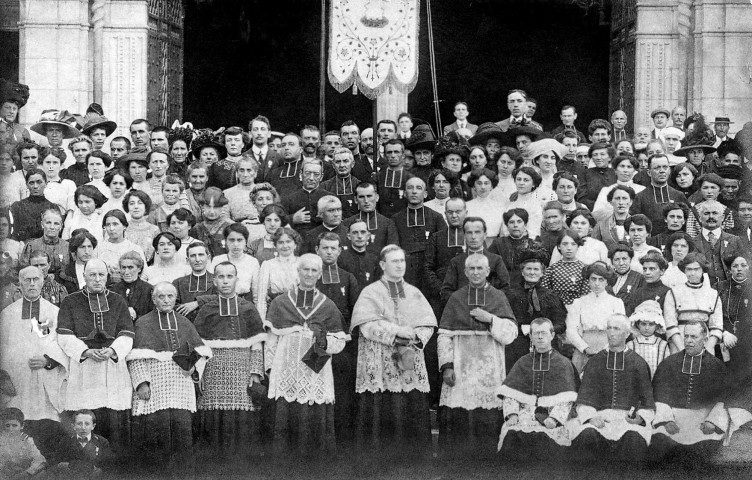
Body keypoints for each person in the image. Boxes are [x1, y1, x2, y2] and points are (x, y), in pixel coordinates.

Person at [351, 245, 437, 458]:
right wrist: (397, 332)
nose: (400, 265)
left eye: (402, 261)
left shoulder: (413, 292)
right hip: (380, 362)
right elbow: (366, 325)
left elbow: (427, 324)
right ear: (382, 265)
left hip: (407, 360)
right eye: (394, 261)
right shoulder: (370, 292)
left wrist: (415, 336)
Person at [264, 254, 348, 454]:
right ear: (298, 271)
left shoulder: (327, 305)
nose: (309, 274)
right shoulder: (280, 303)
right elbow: (271, 340)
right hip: (285, 368)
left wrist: (323, 340)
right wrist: (269, 367)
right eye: (305, 269)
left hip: (315, 372)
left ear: (320, 274)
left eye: (314, 270)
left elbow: (339, 341)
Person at [437, 253, 517, 457]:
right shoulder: (456, 298)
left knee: (487, 415)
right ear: (465, 272)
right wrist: (446, 366)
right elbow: (444, 335)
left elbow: (510, 334)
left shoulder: (498, 297)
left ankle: (487, 461)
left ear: (488, 271)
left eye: (479, 268)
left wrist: (490, 319)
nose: (475, 272)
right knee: (459, 416)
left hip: (489, 368)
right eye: (471, 269)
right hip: (460, 366)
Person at [126, 282, 211, 473]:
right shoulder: (142, 322)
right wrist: (142, 383)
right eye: (161, 297)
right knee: (158, 432)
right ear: (153, 299)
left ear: (175, 299)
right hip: (155, 386)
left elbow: (200, 352)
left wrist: (194, 369)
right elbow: (136, 357)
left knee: (183, 432)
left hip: (181, 386)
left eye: (170, 296)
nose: (166, 300)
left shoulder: (185, 322)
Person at [56, 259, 134, 449]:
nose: (97, 279)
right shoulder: (70, 301)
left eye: (101, 275)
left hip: (112, 366)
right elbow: (64, 335)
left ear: (107, 277)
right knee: (84, 415)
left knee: (112, 417)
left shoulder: (117, 300)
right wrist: (85, 351)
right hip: (83, 366)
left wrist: (113, 350)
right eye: (92, 275)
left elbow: (127, 332)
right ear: (84, 277)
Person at [194, 262, 266, 456]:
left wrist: (255, 373)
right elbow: (199, 346)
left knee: (242, 418)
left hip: (242, 368)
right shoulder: (206, 309)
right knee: (212, 418)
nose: (225, 281)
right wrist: (199, 374)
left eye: (229, 276)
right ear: (214, 281)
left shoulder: (248, 308)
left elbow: (257, 343)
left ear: (237, 279)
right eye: (221, 277)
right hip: (213, 368)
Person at [0, 266, 68, 458]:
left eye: (36, 279)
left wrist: (48, 360)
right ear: (20, 284)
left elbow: (59, 343)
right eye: (27, 280)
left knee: (44, 423)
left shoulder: (52, 312)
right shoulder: (7, 314)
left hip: (43, 380)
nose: (32, 284)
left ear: (43, 282)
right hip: (16, 381)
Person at [570, 314, 655, 464]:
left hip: (627, 422)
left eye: (616, 328)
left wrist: (640, 418)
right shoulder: (595, 361)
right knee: (587, 436)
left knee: (633, 441)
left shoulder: (638, 363)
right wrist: (590, 417)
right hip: (599, 418)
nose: (611, 333)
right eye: (608, 328)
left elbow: (647, 401)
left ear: (627, 333)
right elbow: (584, 397)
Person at [650, 322, 738, 463]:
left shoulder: (716, 366)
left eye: (694, 337)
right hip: (674, 418)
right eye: (686, 336)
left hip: (703, 420)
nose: (689, 341)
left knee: (700, 455)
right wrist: (666, 420)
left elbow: (725, 400)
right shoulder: (669, 363)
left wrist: (713, 422)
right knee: (662, 447)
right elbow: (659, 395)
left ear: (705, 339)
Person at [497, 318, 580, 461]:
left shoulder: (563, 363)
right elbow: (510, 393)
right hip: (525, 412)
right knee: (514, 435)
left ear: (552, 336)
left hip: (553, 415)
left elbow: (567, 399)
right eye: (536, 333)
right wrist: (512, 414)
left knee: (548, 440)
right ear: (530, 337)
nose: (540, 337)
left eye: (543, 333)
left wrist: (555, 418)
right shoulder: (523, 361)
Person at [505, 248, 567, 368]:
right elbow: (506, 321)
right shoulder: (511, 295)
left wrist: (541, 329)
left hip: (546, 343)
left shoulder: (551, 296)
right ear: (522, 272)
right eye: (528, 269)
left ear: (542, 273)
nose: (532, 272)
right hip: (518, 344)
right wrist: (520, 328)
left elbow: (560, 324)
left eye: (536, 269)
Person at [567, 262, 626, 373]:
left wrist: (607, 349)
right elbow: (571, 330)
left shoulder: (616, 302)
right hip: (584, 347)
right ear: (588, 280)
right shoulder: (578, 302)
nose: (597, 284)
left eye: (601, 279)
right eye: (593, 279)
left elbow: (620, 329)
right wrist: (585, 348)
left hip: (609, 345)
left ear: (607, 281)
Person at [441, 217, 510, 305]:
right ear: (464, 235)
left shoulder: (496, 260)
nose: (473, 237)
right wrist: (462, 303)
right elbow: (446, 291)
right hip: (462, 309)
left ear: (485, 235)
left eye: (477, 232)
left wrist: (488, 302)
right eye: (469, 233)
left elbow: (505, 287)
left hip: (490, 308)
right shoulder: (456, 261)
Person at [392, 177, 444, 294]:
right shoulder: (396, 219)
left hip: (430, 274)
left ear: (425, 194)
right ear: (405, 193)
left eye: (418, 188)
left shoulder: (436, 217)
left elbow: (442, 248)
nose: (414, 191)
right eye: (410, 188)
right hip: (405, 273)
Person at [663, 252, 723, 354]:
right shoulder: (674, 292)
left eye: (696, 269)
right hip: (680, 342)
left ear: (703, 270)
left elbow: (716, 326)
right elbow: (670, 325)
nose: (692, 273)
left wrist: (707, 348)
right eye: (689, 269)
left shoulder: (712, 294)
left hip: (705, 343)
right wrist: (683, 349)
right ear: (684, 270)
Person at [630, 154, 690, 235]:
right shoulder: (640, 197)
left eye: (665, 167)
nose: (662, 171)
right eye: (657, 168)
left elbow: (689, 223)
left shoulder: (679, 195)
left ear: (669, 170)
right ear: (649, 172)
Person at [692, 200, 745, 286]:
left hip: (730, 290)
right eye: (706, 213)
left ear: (723, 217)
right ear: (699, 217)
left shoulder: (735, 240)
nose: (711, 217)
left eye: (715, 213)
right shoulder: (692, 243)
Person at [253, 227, 301, 321]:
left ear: (295, 244)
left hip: (297, 311)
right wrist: (262, 323)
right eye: (280, 242)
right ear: (275, 245)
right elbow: (261, 298)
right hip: (276, 311)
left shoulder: (302, 264)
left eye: (288, 241)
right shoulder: (268, 265)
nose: (285, 245)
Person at [488, 208, 542, 287]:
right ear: (507, 225)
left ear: (525, 224)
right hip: (504, 287)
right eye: (511, 222)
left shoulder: (533, 245)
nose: (515, 225)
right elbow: (488, 266)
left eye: (519, 222)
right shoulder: (498, 243)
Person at [345, 182, 399, 256]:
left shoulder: (388, 224)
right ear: (355, 200)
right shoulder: (347, 223)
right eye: (361, 197)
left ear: (377, 197)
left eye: (369, 196)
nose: (366, 201)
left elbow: (392, 252)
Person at [53, 410, 111, 477]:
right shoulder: (65, 442)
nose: (83, 428)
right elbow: (57, 466)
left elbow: (107, 468)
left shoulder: (102, 442)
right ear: (73, 426)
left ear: (93, 426)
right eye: (79, 424)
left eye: (87, 424)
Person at [209, 223, 260, 299]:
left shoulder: (252, 262)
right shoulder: (217, 260)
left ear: (245, 241)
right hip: (221, 301)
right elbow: (211, 287)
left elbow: (256, 292)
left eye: (239, 240)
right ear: (226, 241)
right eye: (231, 240)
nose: (236, 244)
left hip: (244, 303)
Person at [95, 210, 146, 283]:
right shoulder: (99, 248)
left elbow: (144, 274)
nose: (111, 228)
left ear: (124, 226)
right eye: (108, 224)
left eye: (115, 224)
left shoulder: (134, 248)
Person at [541, 229, 590, 305]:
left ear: (578, 246)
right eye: (565, 244)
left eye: (573, 244)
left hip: (577, 310)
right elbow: (545, 293)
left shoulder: (585, 269)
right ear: (559, 246)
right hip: (556, 309)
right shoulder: (551, 269)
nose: (569, 248)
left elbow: (586, 295)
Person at [10, 169, 59, 243]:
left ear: (46, 183)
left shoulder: (53, 207)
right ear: (26, 185)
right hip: (22, 247)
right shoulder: (17, 206)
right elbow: (13, 233)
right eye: (31, 183)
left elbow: (56, 234)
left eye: (39, 182)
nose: (35, 186)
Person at [591, 155, 645, 222]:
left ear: (634, 171)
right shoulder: (606, 190)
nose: (625, 170)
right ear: (615, 170)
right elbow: (597, 213)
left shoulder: (642, 190)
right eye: (622, 166)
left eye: (629, 167)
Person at [173, 241, 215, 322]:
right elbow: (173, 305)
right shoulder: (178, 283)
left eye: (201, 255)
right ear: (187, 260)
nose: (197, 259)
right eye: (193, 256)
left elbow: (221, 297)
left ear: (208, 257)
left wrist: (197, 303)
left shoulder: (216, 280)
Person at [625, 300, 670, 377]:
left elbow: (666, 369)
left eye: (651, 324)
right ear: (638, 324)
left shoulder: (663, 345)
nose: (647, 328)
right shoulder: (631, 345)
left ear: (657, 325)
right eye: (643, 324)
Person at [0, 407, 47, 477]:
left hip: (24, 474)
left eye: (14, 425)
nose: (10, 429)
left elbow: (39, 460)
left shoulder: (27, 440)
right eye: (7, 425)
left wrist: (28, 472)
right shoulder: (1, 440)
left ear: (22, 426)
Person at [20, 208, 68, 277]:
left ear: (61, 226)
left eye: (56, 224)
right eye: (48, 223)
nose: (52, 227)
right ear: (42, 224)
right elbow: (24, 272)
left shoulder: (67, 246)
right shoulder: (31, 246)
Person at [110, 251, 154, 322]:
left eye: (130, 268)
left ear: (139, 269)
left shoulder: (148, 290)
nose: (126, 272)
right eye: (123, 268)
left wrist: (136, 316)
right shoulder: (113, 289)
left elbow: (153, 316)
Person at [190, 187, 234, 257]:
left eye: (216, 207)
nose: (212, 211)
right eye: (208, 207)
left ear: (222, 208)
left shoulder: (230, 228)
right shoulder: (196, 229)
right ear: (202, 207)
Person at [320, 147, 361, 218]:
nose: (342, 165)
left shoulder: (359, 185)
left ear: (352, 164)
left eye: (345, 161)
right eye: (338, 162)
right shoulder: (324, 187)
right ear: (333, 165)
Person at [338, 220, 380, 287]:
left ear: (368, 235)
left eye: (363, 232)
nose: (359, 236)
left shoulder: (374, 259)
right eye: (355, 233)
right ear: (349, 236)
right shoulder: (340, 258)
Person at [592, 185, 635, 252]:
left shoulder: (638, 225)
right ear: (611, 202)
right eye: (617, 198)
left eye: (624, 198)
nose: (621, 202)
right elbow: (594, 249)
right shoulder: (601, 226)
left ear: (630, 202)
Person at [123, 189, 160, 263]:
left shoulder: (154, 230)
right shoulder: (122, 228)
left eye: (140, 203)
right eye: (132, 203)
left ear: (146, 206)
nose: (136, 207)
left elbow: (158, 255)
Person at [56, 229, 97, 294]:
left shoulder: (100, 269)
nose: (87, 251)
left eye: (89, 247)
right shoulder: (64, 272)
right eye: (82, 247)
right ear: (75, 249)